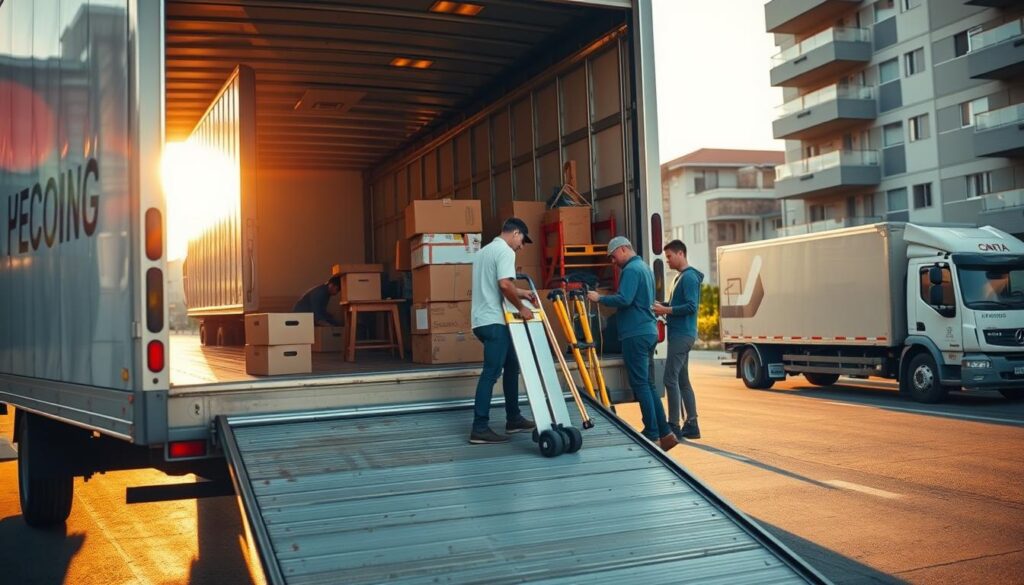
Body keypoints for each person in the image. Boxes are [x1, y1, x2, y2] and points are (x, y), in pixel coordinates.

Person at [587, 236, 678, 451]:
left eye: (613, 256)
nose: (613, 261)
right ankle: (665, 433)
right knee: (649, 384)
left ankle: (652, 433)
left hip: (635, 334)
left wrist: (599, 298)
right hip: (648, 331)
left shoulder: (630, 270)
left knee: (640, 385)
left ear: (623, 249)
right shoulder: (644, 267)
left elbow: (624, 299)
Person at [468, 217, 538, 444]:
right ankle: (479, 428)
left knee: (511, 364)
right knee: (491, 373)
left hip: (481, 321)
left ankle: (513, 418)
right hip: (495, 321)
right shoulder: (506, 251)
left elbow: (496, 283)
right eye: (522, 241)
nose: (521, 247)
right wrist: (522, 308)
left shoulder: (483, 252)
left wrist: (523, 293)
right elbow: (504, 285)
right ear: (515, 233)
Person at [653, 240, 703, 440]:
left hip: (682, 335)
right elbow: (678, 304)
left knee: (669, 379)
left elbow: (691, 306)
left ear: (681, 253)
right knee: (682, 380)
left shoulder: (689, 277)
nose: (667, 261)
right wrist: (661, 305)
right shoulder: (680, 277)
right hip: (682, 334)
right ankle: (692, 425)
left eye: (669, 257)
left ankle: (673, 425)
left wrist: (666, 309)